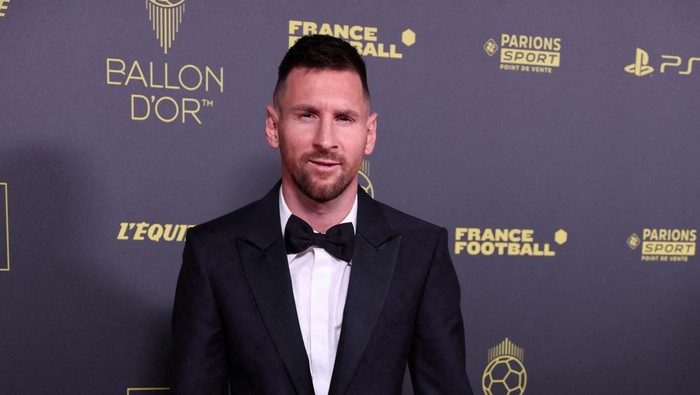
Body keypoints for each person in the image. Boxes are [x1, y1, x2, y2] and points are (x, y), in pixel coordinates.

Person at [171, 34, 473, 395]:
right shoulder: (212, 253)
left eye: (344, 118)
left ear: (369, 133)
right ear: (273, 125)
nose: (325, 140)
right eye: (307, 115)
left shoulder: (421, 251)